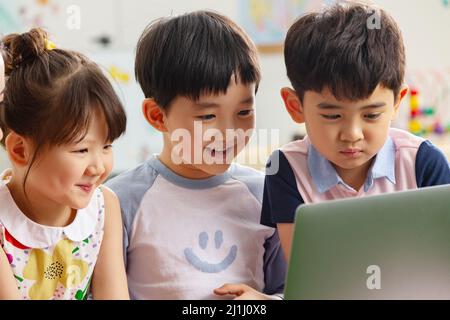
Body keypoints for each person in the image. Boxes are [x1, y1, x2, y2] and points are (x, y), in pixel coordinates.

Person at [107, 10, 286, 300]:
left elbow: (289, 288)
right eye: (207, 116)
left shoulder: (267, 194)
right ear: (157, 116)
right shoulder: (120, 201)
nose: (228, 132)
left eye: (244, 112)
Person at [261, 2, 450, 262]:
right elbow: (306, 273)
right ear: (296, 106)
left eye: (371, 115)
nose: (352, 134)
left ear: (397, 102)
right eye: (332, 115)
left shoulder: (423, 164)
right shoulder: (286, 169)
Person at [0, 29, 129, 300]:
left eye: (106, 146)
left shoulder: (104, 205)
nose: (97, 166)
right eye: (81, 149)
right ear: (20, 150)